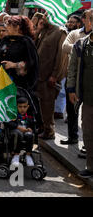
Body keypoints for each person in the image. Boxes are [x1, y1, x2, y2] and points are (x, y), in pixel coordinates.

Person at [66, 10, 93, 178]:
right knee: (89, 133)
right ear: (89, 23)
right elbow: (72, 70)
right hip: (88, 100)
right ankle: (91, 167)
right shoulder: (81, 44)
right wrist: (71, 90)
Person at [61, 9, 92, 145]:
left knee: (88, 117)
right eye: (89, 18)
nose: (90, 21)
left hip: (88, 80)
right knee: (72, 109)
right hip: (74, 77)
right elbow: (65, 47)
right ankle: (73, 136)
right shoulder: (75, 34)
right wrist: (81, 47)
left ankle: (87, 145)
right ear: (84, 20)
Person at [34, 14, 68, 139]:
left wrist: (55, 75)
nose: (43, 17)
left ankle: (49, 131)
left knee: (47, 105)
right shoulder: (44, 30)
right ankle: (43, 127)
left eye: (47, 15)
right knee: (41, 104)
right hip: (39, 75)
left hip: (49, 77)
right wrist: (38, 30)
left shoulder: (60, 32)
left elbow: (62, 57)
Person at [9, 96, 36, 168]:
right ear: (16, 107)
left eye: (24, 107)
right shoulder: (13, 116)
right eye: (20, 107)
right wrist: (18, 127)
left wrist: (31, 129)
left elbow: (33, 126)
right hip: (15, 133)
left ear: (28, 107)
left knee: (30, 135)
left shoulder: (30, 117)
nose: (22, 109)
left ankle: (28, 155)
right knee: (18, 133)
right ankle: (16, 155)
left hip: (26, 133)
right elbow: (9, 123)